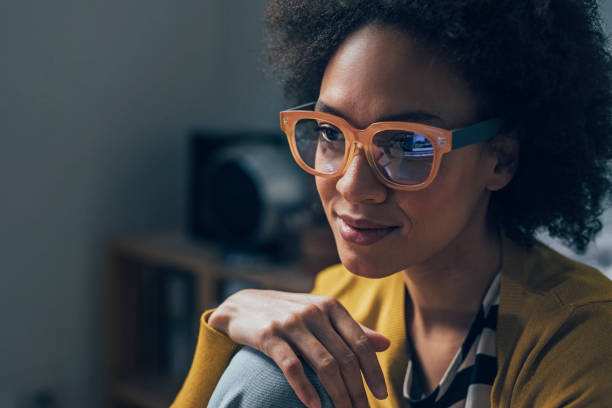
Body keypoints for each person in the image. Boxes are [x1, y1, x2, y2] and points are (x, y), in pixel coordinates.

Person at [171, 1, 612, 407]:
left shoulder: (583, 339)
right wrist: (225, 328)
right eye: (330, 133)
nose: (352, 185)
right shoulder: (339, 299)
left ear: (500, 159)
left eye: (407, 144)